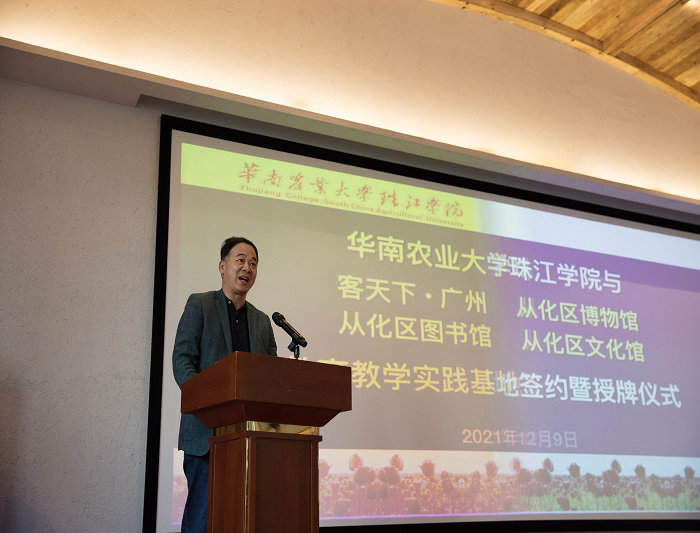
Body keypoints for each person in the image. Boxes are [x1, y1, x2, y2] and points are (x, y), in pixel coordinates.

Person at [172, 236, 277, 533]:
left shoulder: (262, 321)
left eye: (253, 263)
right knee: (202, 520)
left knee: (243, 521)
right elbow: (182, 358)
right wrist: (204, 401)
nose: (247, 268)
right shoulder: (200, 304)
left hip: (249, 440)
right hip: (206, 435)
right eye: (240, 260)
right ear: (222, 266)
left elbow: (271, 376)